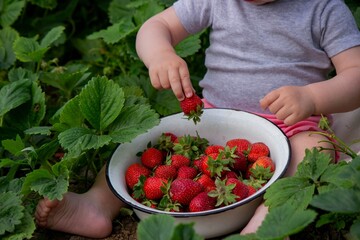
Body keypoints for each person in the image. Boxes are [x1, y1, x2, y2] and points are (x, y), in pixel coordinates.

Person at [35, 0, 360, 238]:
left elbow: (356, 76)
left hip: (292, 123)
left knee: (315, 149)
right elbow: (155, 27)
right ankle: (98, 203)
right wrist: (160, 53)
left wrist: (313, 97)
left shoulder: (324, 9)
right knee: (146, 141)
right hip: (213, 118)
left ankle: (263, 225)